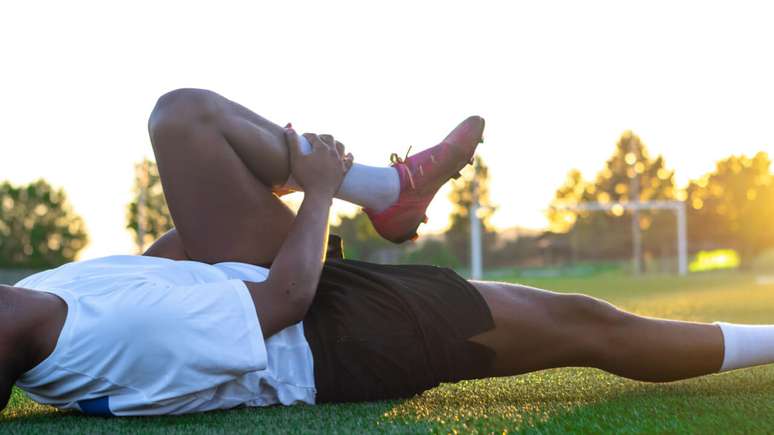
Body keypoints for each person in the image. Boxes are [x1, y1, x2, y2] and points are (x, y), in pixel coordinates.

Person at [1, 89, 773, 417]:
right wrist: (314, 189)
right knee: (584, 324)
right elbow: (285, 302)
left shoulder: (46, 291)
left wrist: (249, 193)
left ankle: (389, 189)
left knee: (181, 120)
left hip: (269, 281)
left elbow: (171, 260)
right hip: (336, 337)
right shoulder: (84, 343)